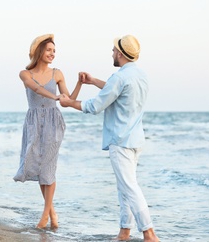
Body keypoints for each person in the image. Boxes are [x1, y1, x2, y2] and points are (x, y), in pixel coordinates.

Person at [59, 35, 159, 241]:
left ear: (120, 54)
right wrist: (93, 80)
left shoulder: (120, 77)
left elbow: (95, 105)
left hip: (120, 141)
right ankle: (124, 231)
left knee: (129, 187)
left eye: (114, 50)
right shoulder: (141, 75)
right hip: (135, 140)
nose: (112, 53)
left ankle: (149, 234)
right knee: (125, 185)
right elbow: (117, 91)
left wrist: (69, 103)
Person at [13, 34, 82, 229]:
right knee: (37, 164)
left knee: (49, 168)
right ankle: (51, 211)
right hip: (34, 122)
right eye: (49, 50)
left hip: (53, 122)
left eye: (54, 51)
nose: (53, 54)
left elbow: (68, 100)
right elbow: (35, 88)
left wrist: (79, 84)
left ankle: (45, 215)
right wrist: (55, 96)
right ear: (39, 51)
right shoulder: (25, 73)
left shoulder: (57, 73)